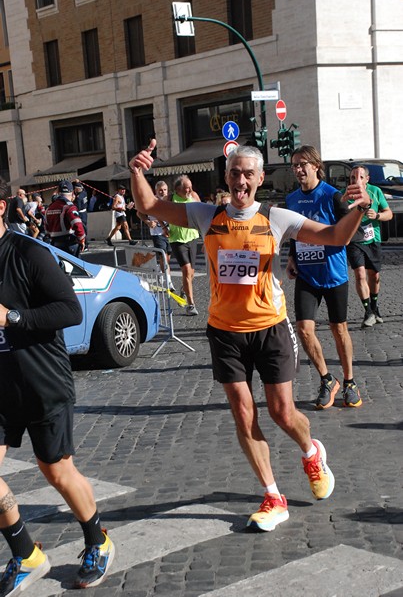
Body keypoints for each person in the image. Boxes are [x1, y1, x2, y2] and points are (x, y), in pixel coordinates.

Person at [129, 139, 370, 532]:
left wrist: (359, 209)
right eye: (234, 173)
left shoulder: (277, 218)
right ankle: (273, 495)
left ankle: (311, 452)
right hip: (224, 332)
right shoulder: (207, 215)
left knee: (282, 413)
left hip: (270, 329)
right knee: (243, 413)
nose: (240, 180)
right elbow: (149, 207)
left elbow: (334, 237)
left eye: (247, 174)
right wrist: (138, 171)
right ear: (226, 177)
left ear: (259, 178)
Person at [0, 196, 115, 594]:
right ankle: (26, 554)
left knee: (57, 471)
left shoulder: (27, 253)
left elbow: (70, 310)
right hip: (0, 389)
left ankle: (98, 541)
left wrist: (13, 317)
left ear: (0, 207)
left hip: (42, 382)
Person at [285, 145, 362, 410]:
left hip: (333, 273)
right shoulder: (292, 199)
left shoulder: (333, 196)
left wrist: (355, 264)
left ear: (317, 166)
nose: (298, 169)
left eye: (302, 164)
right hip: (307, 273)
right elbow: (295, 231)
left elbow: (349, 233)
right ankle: (327, 379)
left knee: (338, 329)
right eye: (294, 165)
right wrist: (292, 256)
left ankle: (350, 381)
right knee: (304, 330)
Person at [346, 165, 393, 327]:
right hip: (354, 241)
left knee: (374, 275)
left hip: (373, 239)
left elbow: (389, 213)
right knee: (359, 274)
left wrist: (377, 215)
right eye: (352, 177)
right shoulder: (347, 194)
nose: (355, 180)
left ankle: (374, 306)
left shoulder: (375, 191)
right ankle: (367, 312)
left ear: (367, 179)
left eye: (359, 177)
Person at [169, 175, 200, 315]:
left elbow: (202, 212)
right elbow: (156, 211)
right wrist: (163, 227)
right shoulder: (170, 199)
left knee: (191, 273)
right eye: (187, 188)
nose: (190, 190)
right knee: (186, 270)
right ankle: (191, 305)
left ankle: (183, 288)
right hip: (177, 239)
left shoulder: (194, 195)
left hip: (192, 237)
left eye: (191, 187)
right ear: (178, 189)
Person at [138, 181, 176, 291]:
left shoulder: (170, 200)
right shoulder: (151, 200)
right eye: (160, 190)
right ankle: (169, 283)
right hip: (157, 232)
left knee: (167, 257)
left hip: (170, 232)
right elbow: (139, 213)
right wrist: (148, 222)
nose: (162, 192)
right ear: (156, 191)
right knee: (164, 257)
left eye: (164, 190)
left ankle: (160, 269)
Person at [44, 180, 86, 257]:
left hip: (54, 244)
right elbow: (77, 224)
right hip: (69, 244)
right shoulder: (69, 207)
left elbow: (46, 228)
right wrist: (81, 239)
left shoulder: (49, 208)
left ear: (58, 192)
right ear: (73, 193)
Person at [73, 181, 89, 251]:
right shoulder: (84, 193)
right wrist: (79, 182)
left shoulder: (78, 198)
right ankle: (85, 244)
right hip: (85, 213)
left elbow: (77, 208)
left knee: (82, 229)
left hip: (80, 214)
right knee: (84, 228)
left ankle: (85, 244)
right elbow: (84, 189)